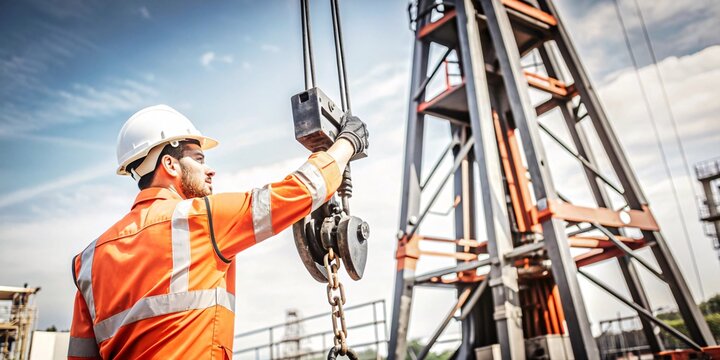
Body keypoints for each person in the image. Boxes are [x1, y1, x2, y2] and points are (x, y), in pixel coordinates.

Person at [68, 104, 368, 359]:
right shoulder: (200, 219)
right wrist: (346, 144)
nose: (209, 170)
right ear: (170, 164)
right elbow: (298, 193)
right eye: (198, 159)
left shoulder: (87, 261)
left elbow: (80, 354)